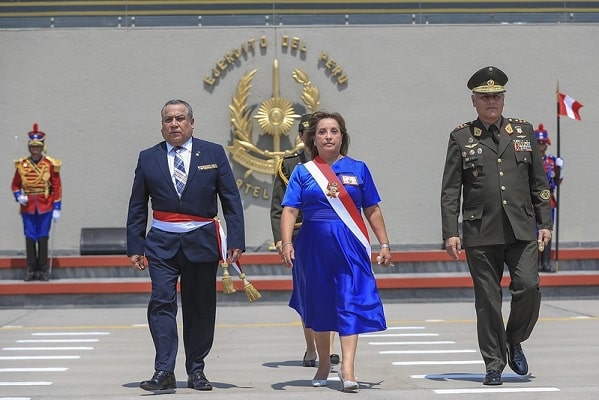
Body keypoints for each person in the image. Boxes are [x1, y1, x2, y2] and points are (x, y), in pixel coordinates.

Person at [441, 66, 553, 386]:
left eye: (496, 96)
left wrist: (545, 222)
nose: (491, 101)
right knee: (488, 300)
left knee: (528, 287)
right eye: (484, 97)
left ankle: (514, 339)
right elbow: (451, 189)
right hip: (480, 230)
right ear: (474, 101)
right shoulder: (461, 137)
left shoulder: (523, 131)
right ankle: (493, 363)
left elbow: (539, 182)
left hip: (521, 227)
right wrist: (451, 231)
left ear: (503, 99)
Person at [126, 99, 245, 392]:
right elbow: (138, 204)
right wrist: (135, 245)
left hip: (201, 241)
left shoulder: (213, 153)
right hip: (161, 243)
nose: (174, 124)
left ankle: (196, 369)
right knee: (161, 303)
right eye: (168, 119)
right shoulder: (148, 157)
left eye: (180, 118)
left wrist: (236, 240)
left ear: (191, 123)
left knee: (199, 307)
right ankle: (164, 370)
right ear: (162, 126)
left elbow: (230, 199)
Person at [280, 111, 392, 392]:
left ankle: (348, 368)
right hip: (313, 246)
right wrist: (287, 243)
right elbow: (290, 210)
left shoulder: (358, 168)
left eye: (334, 131)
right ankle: (323, 364)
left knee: (350, 300)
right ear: (313, 139)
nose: (328, 136)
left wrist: (384, 244)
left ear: (342, 137)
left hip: (350, 245)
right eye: (322, 132)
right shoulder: (303, 172)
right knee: (319, 302)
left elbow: (372, 209)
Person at [270, 113, 340, 369]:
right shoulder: (290, 165)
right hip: (301, 236)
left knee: (332, 290)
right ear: (301, 137)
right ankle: (311, 347)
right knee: (308, 292)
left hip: (331, 235)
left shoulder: (337, 162)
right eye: (309, 134)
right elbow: (279, 207)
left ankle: (329, 349)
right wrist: (282, 239)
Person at [11, 123, 62, 281]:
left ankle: (43, 269)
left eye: (38, 147)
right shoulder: (22, 165)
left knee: (43, 236)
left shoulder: (49, 164)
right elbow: (15, 185)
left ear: (42, 147)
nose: (35, 150)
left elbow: (56, 186)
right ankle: (31, 269)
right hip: (28, 207)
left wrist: (57, 206)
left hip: (45, 205)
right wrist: (19, 196)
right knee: (30, 236)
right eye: (33, 146)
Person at [535, 124, 563, 273]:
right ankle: (535, 263)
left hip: (548, 200)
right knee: (534, 233)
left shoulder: (552, 161)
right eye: (538, 142)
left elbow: (557, 182)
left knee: (547, 231)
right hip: (533, 201)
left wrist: (559, 169)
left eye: (543, 143)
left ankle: (545, 262)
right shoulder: (531, 161)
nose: (541, 145)